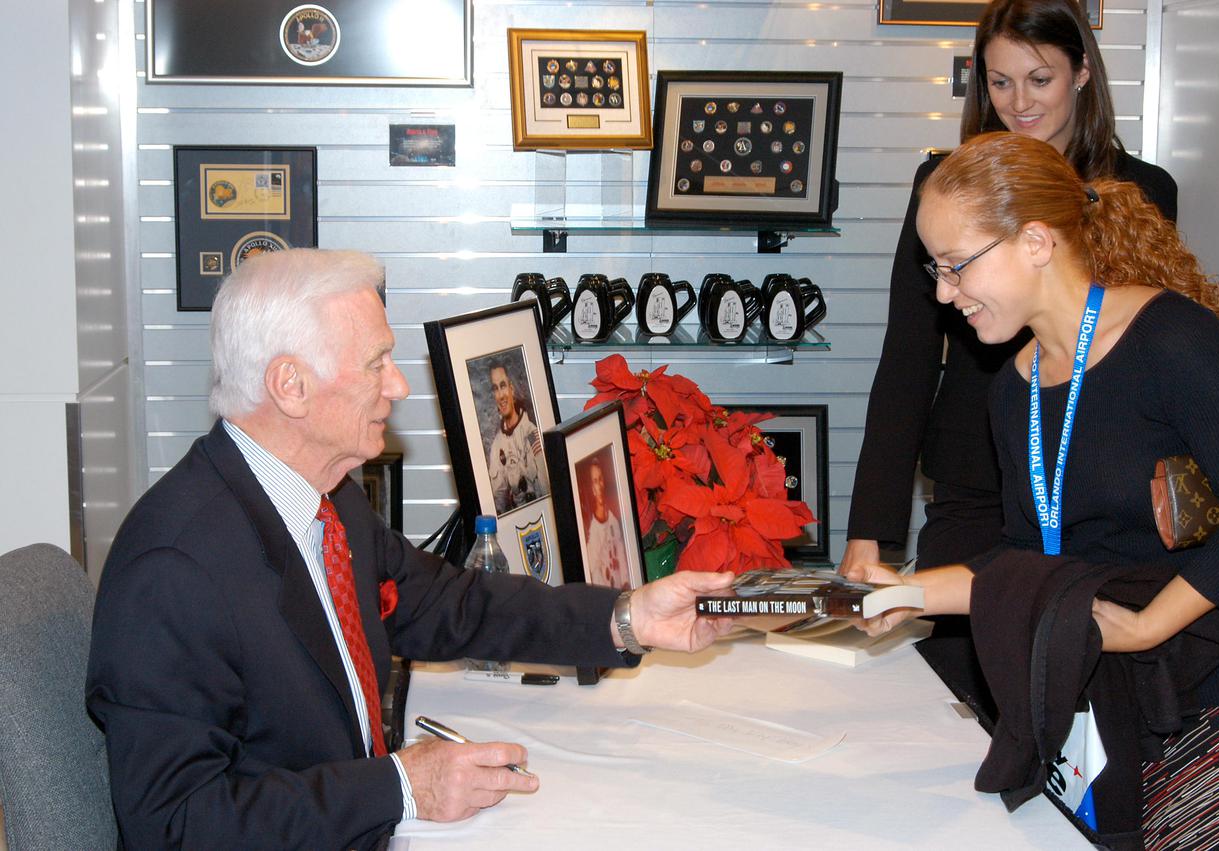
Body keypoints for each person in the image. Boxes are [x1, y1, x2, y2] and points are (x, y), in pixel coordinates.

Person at [86, 248, 734, 850]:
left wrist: (626, 617)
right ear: (290, 385)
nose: (398, 385)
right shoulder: (172, 568)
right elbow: (174, 822)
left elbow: (450, 602)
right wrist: (400, 786)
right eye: (376, 362)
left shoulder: (327, 496)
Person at [849, 132, 1219, 847]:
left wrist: (1146, 625)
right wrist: (903, 595)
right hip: (1121, 700)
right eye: (935, 269)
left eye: (957, 267)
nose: (943, 293)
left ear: (1037, 242)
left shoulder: (1169, 338)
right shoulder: (1015, 384)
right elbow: (1027, 561)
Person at [843, 0, 1177, 573]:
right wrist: (870, 530)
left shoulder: (1139, 191)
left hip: (1096, 483)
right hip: (976, 476)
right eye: (1000, 82)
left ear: (1082, 72)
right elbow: (908, 353)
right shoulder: (943, 187)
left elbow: (1150, 351)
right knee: (950, 656)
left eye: (1039, 79)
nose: (1019, 103)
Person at [486, 361, 547, 513]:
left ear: (511, 389)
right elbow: (498, 500)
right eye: (496, 389)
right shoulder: (496, 447)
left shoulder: (532, 434)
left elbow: (547, 487)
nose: (501, 395)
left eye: (503, 385)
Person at [584, 457, 629, 589]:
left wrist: (626, 581)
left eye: (601, 479)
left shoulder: (613, 520)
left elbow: (621, 552)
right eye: (595, 481)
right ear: (592, 488)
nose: (600, 485)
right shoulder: (592, 533)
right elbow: (594, 570)